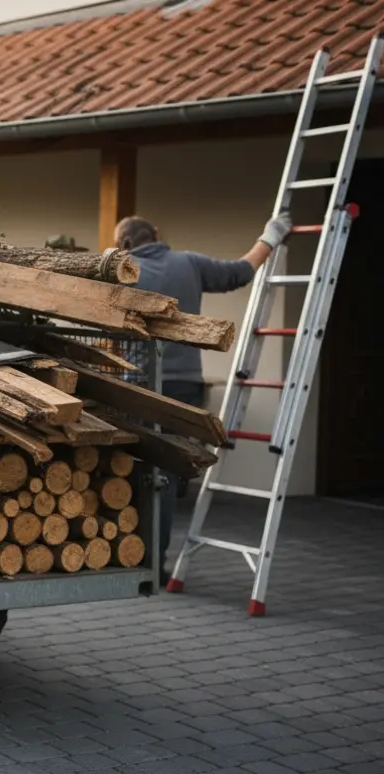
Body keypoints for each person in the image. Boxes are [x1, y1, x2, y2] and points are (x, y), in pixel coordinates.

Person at [115, 212, 293, 583]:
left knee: (135, 469)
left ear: (124, 245)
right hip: (185, 387)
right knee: (164, 473)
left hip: (139, 386)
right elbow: (240, 272)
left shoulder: (122, 267)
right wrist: (271, 235)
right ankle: (155, 564)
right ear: (158, 235)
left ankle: (131, 555)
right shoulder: (190, 263)